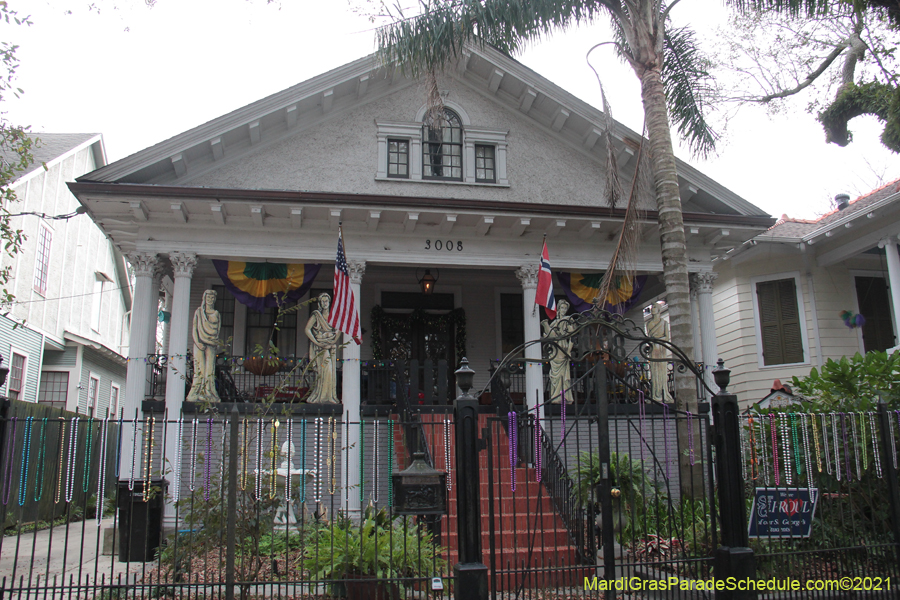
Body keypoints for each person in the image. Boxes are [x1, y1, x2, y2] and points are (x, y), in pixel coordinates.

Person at [187, 289, 221, 403]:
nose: (210, 300)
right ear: (204, 299)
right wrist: (198, 343)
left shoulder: (216, 314)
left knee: (209, 370)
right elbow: (194, 330)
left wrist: (215, 343)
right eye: (208, 298)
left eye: (212, 298)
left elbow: (217, 331)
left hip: (211, 345)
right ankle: (197, 393)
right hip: (199, 344)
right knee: (199, 369)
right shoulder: (199, 312)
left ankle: (209, 392)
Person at [305, 293, 340, 403]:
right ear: (320, 303)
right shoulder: (317, 315)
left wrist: (334, 340)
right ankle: (321, 396)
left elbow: (340, 328)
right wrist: (316, 342)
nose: (325, 303)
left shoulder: (333, 316)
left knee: (331, 371)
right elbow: (307, 329)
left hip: (330, 345)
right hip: (321, 347)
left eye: (327, 301)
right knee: (325, 370)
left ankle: (330, 396)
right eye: (323, 301)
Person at [542, 298, 575, 404]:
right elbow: (547, 335)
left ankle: (565, 397)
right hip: (555, 350)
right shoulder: (555, 322)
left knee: (563, 375)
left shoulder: (568, 320)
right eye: (562, 308)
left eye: (565, 308)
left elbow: (572, 336)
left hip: (563, 348)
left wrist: (569, 351)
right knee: (554, 375)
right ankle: (555, 396)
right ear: (558, 309)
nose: (563, 310)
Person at [646, 303, 672, 403]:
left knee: (662, 371)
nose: (653, 309)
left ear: (659, 310)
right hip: (653, 350)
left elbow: (666, 337)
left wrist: (657, 340)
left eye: (655, 307)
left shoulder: (664, 323)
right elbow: (647, 338)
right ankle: (655, 394)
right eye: (652, 307)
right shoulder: (649, 324)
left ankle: (663, 393)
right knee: (654, 371)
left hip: (661, 349)